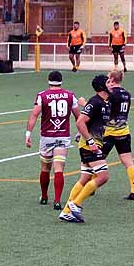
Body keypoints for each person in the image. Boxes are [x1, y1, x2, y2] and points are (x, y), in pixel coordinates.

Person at [59, 75, 111, 223]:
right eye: (108, 82)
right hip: (90, 145)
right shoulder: (95, 102)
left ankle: (66, 212)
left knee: (85, 178)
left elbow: (89, 121)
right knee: (103, 176)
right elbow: (80, 121)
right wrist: (90, 141)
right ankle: (75, 204)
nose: (111, 84)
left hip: (91, 144)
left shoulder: (104, 102)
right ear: (102, 87)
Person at [25, 71, 80, 210]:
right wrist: (80, 132)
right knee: (59, 168)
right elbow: (78, 116)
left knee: (45, 168)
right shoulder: (70, 95)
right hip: (63, 136)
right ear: (61, 81)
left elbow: (34, 115)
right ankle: (57, 200)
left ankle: (44, 196)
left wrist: (28, 133)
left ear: (49, 81)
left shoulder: (42, 95)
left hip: (47, 137)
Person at [104, 70, 134, 200]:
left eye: (108, 78)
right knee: (128, 162)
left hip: (109, 132)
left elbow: (102, 110)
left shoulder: (111, 94)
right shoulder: (127, 94)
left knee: (96, 160)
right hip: (124, 131)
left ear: (112, 79)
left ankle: (92, 186)